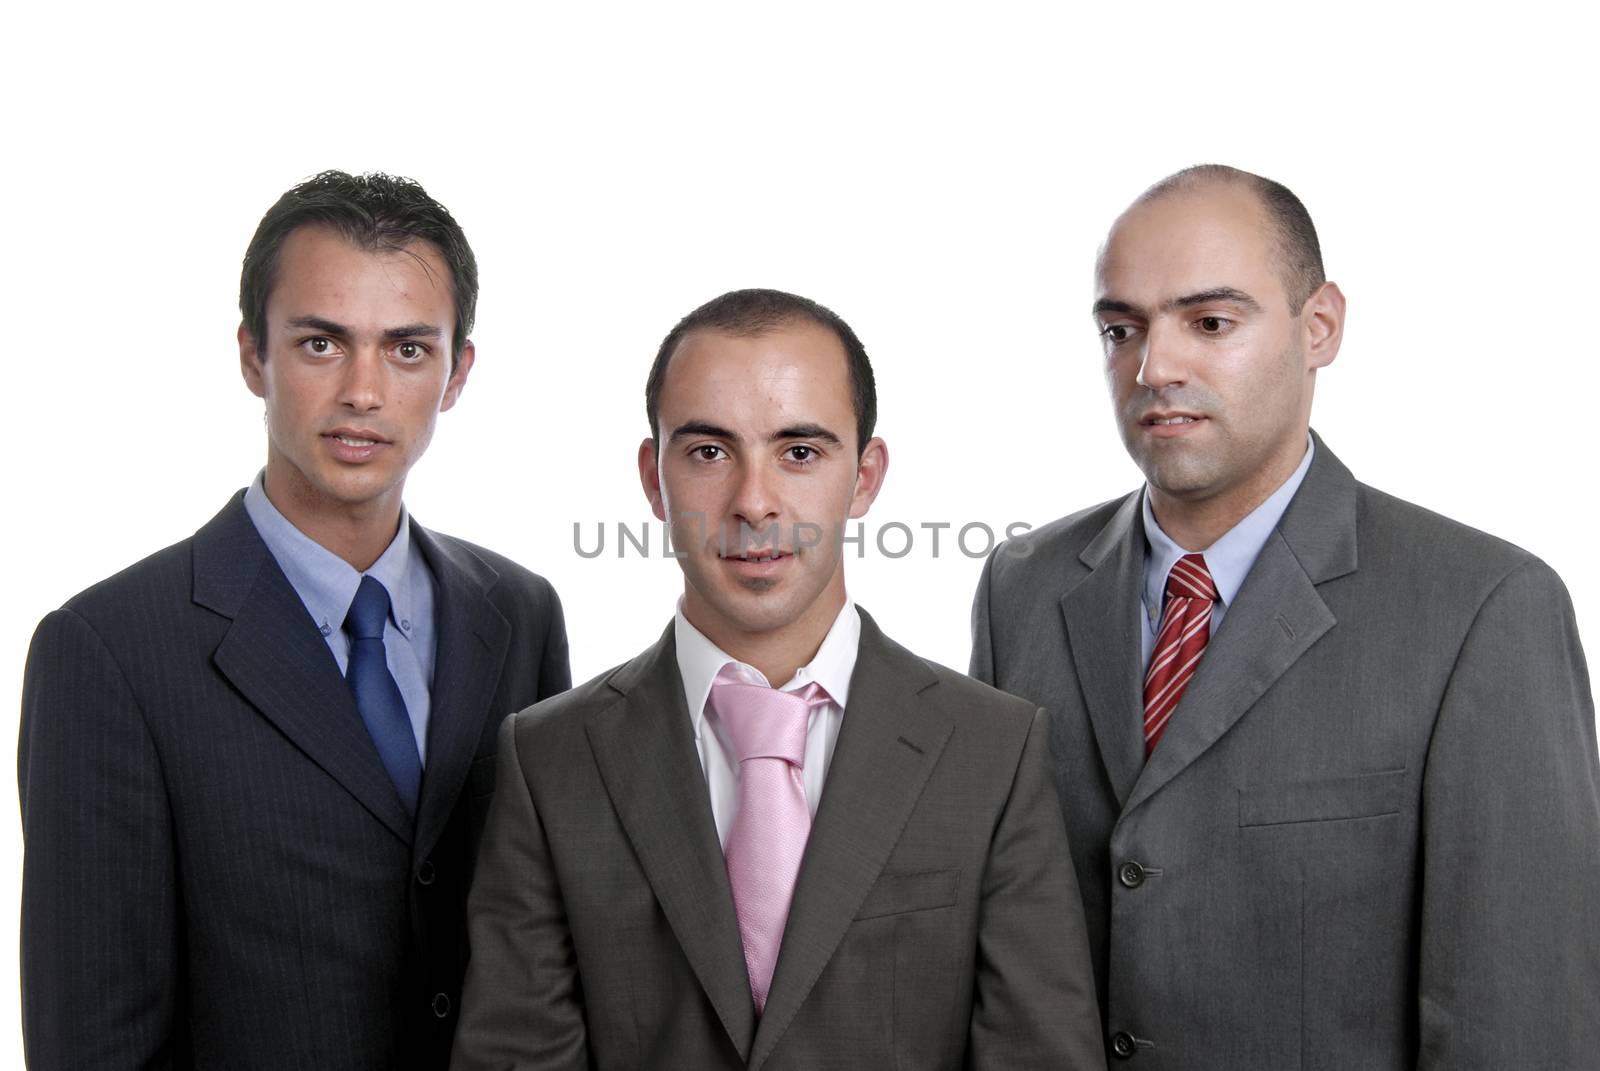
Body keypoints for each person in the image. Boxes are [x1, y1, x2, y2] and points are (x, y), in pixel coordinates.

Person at [971, 164, 1600, 1068]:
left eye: (1211, 322)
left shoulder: (1484, 609)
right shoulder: (1020, 588)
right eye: (1122, 329)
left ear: (1320, 327)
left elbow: (1524, 1019)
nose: (1155, 369)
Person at [452, 288, 1104, 1069]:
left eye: (799, 452)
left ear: (864, 477)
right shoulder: (550, 758)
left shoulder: (992, 749)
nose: (753, 502)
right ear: (653, 480)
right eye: (708, 452)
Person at [18, 170, 571, 1070]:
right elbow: (91, 1038)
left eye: (406, 349)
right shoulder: (110, 650)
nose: (363, 390)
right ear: (253, 355)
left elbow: (550, 946)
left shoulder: (517, 613)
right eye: (321, 344)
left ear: (457, 371)